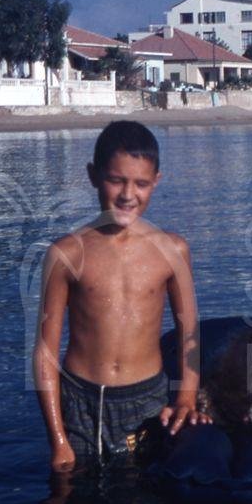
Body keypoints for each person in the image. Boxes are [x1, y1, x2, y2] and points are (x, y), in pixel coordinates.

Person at [33, 121, 209, 472]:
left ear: (156, 181)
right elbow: (45, 352)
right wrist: (58, 440)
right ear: (93, 175)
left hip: (148, 400)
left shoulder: (173, 249)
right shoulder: (66, 253)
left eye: (141, 183)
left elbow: (189, 332)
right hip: (82, 400)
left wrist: (187, 396)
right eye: (116, 180)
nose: (129, 194)